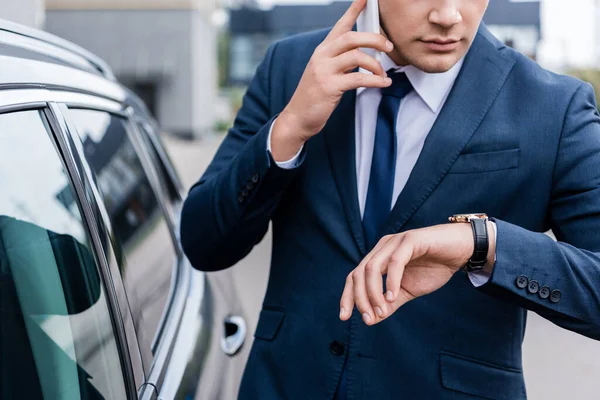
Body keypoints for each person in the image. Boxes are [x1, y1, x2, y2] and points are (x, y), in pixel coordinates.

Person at [180, 0, 600, 398]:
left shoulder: (554, 107)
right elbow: (202, 243)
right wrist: (290, 128)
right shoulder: (289, 67)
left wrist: (482, 244)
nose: (448, 15)